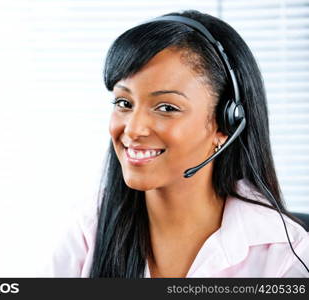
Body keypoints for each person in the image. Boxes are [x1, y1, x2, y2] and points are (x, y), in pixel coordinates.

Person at [45, 10, 309, 277]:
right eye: (124, 103)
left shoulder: (285, 256)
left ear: (226, 124)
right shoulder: (89, 229)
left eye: (166, 107)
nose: (134, 129)